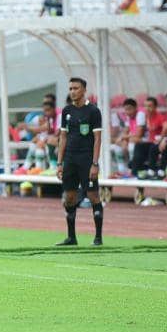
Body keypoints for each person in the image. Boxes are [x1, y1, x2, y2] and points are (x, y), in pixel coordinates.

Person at [56, 78, 104, 246]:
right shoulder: (66, 111)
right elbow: (63, 137)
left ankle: (98, 237)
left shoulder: (93, 111)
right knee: (69, 197)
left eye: (76, 88)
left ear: (84, 90)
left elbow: (97, 139)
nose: (72, 91)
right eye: (70, 88)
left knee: (93, 196)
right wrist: (59, 163)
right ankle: (71, 237)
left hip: (86, 159)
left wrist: (95, 163)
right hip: (70, 159)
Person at [131, 96, 166, 179]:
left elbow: (166, 127)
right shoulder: (146, 117)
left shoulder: (159, 116)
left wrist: (161, 139)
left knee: (152, 148)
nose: (147, 108)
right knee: (138, 145)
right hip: (150, 142)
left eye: (150, 106)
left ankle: (152, 171)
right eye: (145, 106)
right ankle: (134, 172)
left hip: (158, 143)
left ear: (155, 107)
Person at [110, 98, 144, 177]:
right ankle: (122, 170)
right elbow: (126, 130)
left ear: (136, 108)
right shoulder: (129, 117)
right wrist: (124, 140)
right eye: (126, 110)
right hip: (133, 138)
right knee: (117, 144)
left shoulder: (140, 114)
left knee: (131, 144)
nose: (127, 112)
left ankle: (133, 169)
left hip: (144, 139)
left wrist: (125, 138)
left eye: (129, 109)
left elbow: (139, 134)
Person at [20, 100, 58, 170]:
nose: (46, 113)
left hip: (61, 142)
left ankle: (52, 167)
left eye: (48, 110)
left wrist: (27, 128)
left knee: (43, 143)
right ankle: (35, 168)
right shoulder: (49, 118)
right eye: (44, 111)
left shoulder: (58, 116)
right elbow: (42, 130)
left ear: (53, 109)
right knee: (35, 142)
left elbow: (57, 134)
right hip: (53, 140)